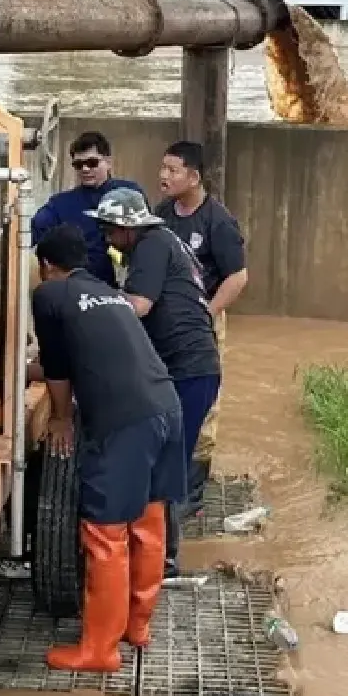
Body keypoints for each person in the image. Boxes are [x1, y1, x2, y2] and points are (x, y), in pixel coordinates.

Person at [30, 225, 186, 673]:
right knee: (148, 522)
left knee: (105, 532)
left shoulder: (50, 297)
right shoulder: (111, 295)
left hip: (125, 423)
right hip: (165, 408)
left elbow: (58, 367)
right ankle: (137, 627)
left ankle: (99, 650)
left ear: (45, 266)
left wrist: (60, 418)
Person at [92, 189, 220, 578]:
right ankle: (158, 553)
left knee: (169, 465)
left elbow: (139, 306)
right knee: (165, 460)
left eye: (111, 230)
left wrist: (94, 303)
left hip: (189, 368)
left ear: (129, 228)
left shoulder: (151, 245)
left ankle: (164, 559)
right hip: (187, 366)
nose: (107, 238)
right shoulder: (163, 242)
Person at [154, 140, 249, 493]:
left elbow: (238, 277)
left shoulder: (218, 221)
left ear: (193, 177)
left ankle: (194, 483)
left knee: (204, 401)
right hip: (164, 320)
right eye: (162, 168)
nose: (164, 176)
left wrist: (207, 314)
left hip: (203, 319)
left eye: (172, 170)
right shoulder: (161, 215)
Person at [31, 130, 142, 287]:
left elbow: (148, 238)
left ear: (108, 162)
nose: (85, 169)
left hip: (125, 287)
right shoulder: (61, 204)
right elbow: (29, 233)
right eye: (78, 165)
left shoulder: (130, 194)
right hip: (77, 289)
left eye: (92, 163)